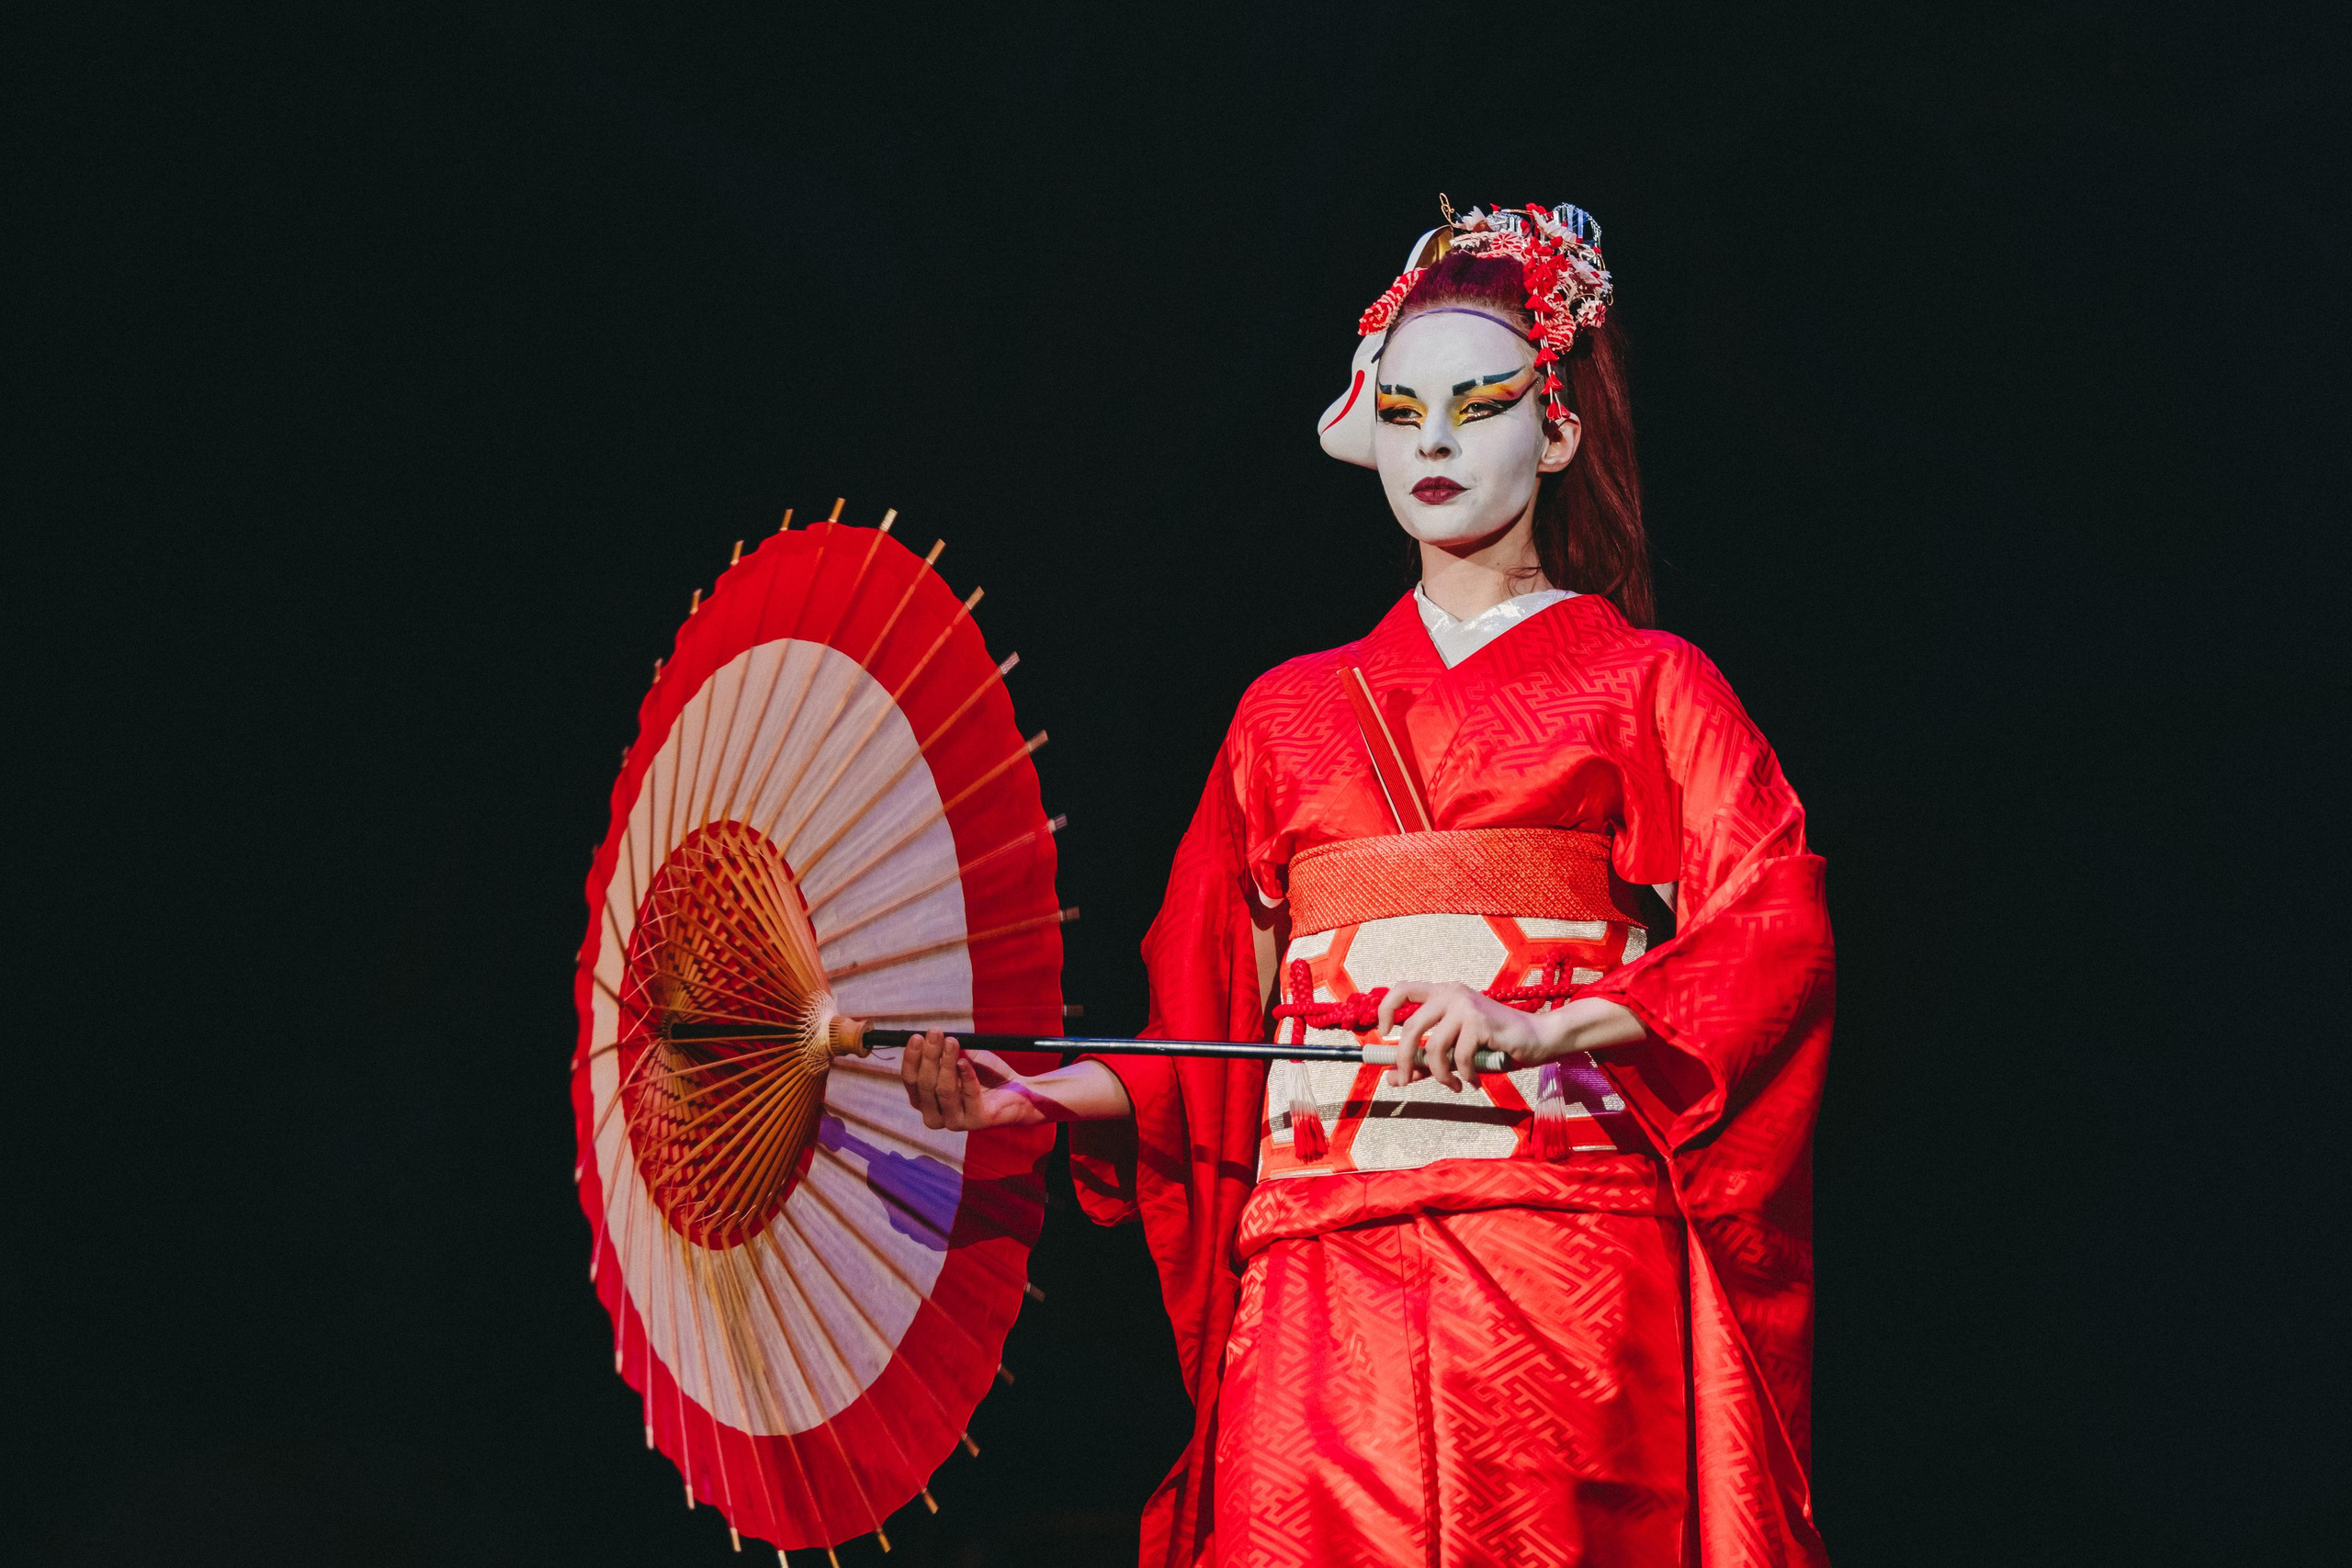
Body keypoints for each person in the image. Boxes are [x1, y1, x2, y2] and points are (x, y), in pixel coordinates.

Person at [899, 201, 1834, 1568]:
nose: (1436, 441)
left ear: (1559, 430)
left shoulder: (1649, 684)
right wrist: (1036, 1095)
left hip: (1556, 1263)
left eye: (1477, 402)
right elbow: (1215, 1047)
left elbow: (1776, 925)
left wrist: (1551, 1021)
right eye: (1401, 410)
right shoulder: (1284, 718)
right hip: (1322, 1282)